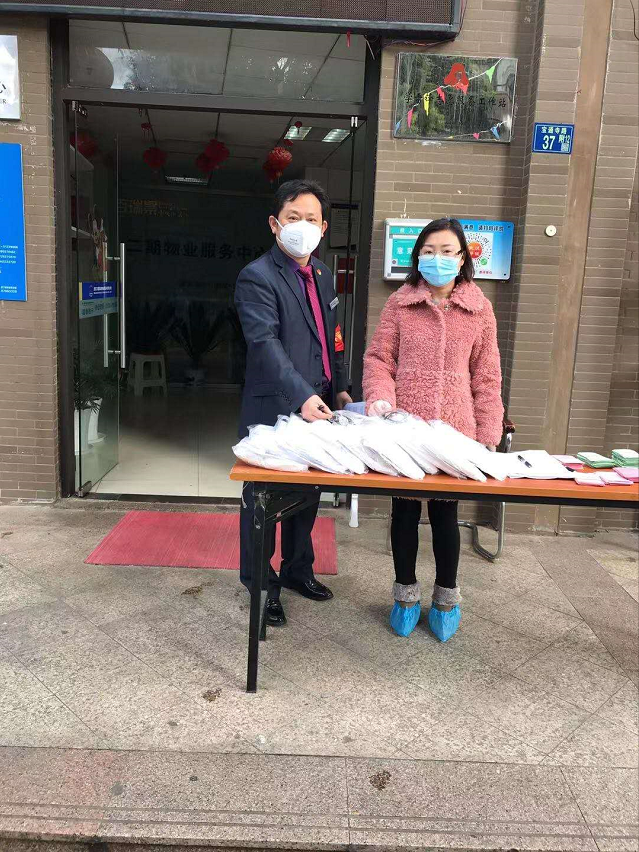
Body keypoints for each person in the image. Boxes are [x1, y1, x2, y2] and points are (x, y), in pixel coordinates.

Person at [362, 217, 504, 642]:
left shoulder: (479, 309)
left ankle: (446, 598)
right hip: (405, 427)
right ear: (417, 257)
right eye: (428, 251)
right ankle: (405, 596)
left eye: (446, 251)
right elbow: (379, 359)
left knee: (445, 513)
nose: (436, 258)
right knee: (404, 511)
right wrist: (380, 396)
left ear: (462, 259)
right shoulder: (399, 304)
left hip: (455, 430)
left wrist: (488, 432)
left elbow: (487, 375)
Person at [235, 179, 352, 626]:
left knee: (307, 495)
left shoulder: (322, 274)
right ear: (275, 223)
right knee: (263, 502)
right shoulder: (258, 276)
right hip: (275, 407)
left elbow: (332, 336)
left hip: (318, 405)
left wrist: (340, 387)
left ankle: (298, 570)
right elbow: (264, 344)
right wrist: (302, 395)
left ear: (323, 228)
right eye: (292, 217)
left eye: (311, 219)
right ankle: (262, 586)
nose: (301, 226)